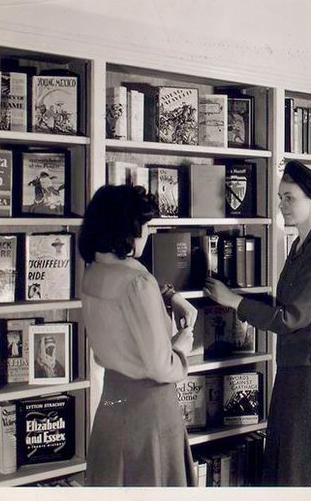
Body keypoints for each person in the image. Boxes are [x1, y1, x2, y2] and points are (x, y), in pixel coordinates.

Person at [203, 160, 311, 487]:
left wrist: (235, 302)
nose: (281, 205)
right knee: (290, 456)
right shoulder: (299, 245)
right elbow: (285, 306)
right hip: (295, 364)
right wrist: (235, 295)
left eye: (289, 198)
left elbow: (291, 317)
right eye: (280, 197)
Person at [78, 185, 197, 486]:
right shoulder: (138, 281)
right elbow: (160, 367)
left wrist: (169, 295)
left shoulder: (92, 271)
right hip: (150, 413)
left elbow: (125, 299)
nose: (148, 233)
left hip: (112, 407)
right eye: (145, 226)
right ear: (128, 229)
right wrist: (181, 349)